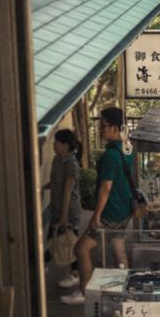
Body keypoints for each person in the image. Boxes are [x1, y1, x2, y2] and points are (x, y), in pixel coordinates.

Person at [64, 107, 132, 305]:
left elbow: (105, 187)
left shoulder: (110, 155)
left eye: (102, 126)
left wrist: (96, 215)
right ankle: (126, 290)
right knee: (118, 248)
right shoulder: (127, 149)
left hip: (109, 213)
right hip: (123, 210)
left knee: (81, 249)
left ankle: (86, 293)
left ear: (114, 128)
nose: (100, 130)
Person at [47, 129, 82, 289]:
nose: (53, 145)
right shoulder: (56, 160)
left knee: (70, 242)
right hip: (56, 207)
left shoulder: (72, 164)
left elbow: (67, 191)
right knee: (54, 239)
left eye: (57, 142)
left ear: (65, 145)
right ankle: (45, 265)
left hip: (69, 211)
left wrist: (63, 216)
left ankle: (75, 273)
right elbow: (55, 182)